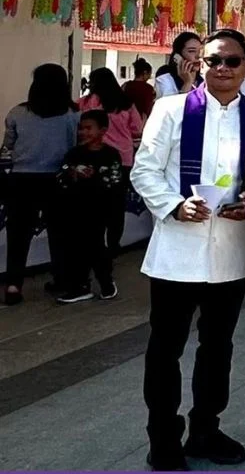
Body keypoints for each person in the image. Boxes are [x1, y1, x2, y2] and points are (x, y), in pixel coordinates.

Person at [131, 28, 245, 471]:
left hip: (229, 253)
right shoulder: (171, 111)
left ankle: (206, 427)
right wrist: (174, 204)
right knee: (165, 348)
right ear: (199, 66)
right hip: (176, 251)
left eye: (232, 61)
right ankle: (163, 436)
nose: (222, 69)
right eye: (213, 61)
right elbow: (144, 171)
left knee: (218, 347)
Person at [2, 64, 78, 306]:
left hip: (21, 180)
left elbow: (9, 145)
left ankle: (14, 285)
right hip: (57, 180)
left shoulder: (17, 113)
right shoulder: (73, 115)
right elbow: (75, 146)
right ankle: (61, 280)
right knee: (60, 233)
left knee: (18, 235)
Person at [53, 109, 123, 304]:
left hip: (100, 209)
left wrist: (95, 178)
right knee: (77, 247)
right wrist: (73, 173)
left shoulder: (111, 155)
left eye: (88, 128)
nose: (83, 132)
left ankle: (105, 281)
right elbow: (62, 174)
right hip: (75, 209)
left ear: (102, 130)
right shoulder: (74, 154)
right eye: (81, 128)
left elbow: (115, 182)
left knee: (96, 246)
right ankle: (80, 285)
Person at [77, 67, 146, 260]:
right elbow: (137, 130)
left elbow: (77, 124)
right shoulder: (126, 103)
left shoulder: (86, 102)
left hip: (93, 157)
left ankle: (93, 245)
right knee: (116, 207)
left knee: (92, 204)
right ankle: (113, 246)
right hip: (122, 160)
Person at [154, 32, 203, 98]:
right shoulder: (165, 80)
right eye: (192, 51)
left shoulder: (204, 82)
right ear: (178, 56)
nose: (198, 56)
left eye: (200, 51)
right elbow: (174, 107)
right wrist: (187, 83)